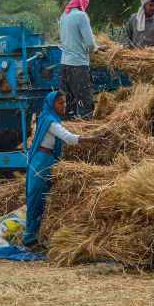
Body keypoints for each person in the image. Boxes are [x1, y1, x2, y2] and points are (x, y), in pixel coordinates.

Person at [22, 91, 102, 250]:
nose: (63, 106)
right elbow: (68, 138)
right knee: (36, 199)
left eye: (64, 102)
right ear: (52, 104)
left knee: (44, 198)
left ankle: (36, 236)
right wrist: (94, 139)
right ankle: (29, 238)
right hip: (41, 161)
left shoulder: (50, 119)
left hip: (46, 159)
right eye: (60, 103)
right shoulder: (50, 122)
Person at [59, 0, 98, 119]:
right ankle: (85, 135)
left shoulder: (64, 16)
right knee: (85, 103)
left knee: (69, 104)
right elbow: (90, 44)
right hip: (79, 66)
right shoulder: (81, 16)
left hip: (65, 65)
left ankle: (68, 134)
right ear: (84, 0)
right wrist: (97, 48)